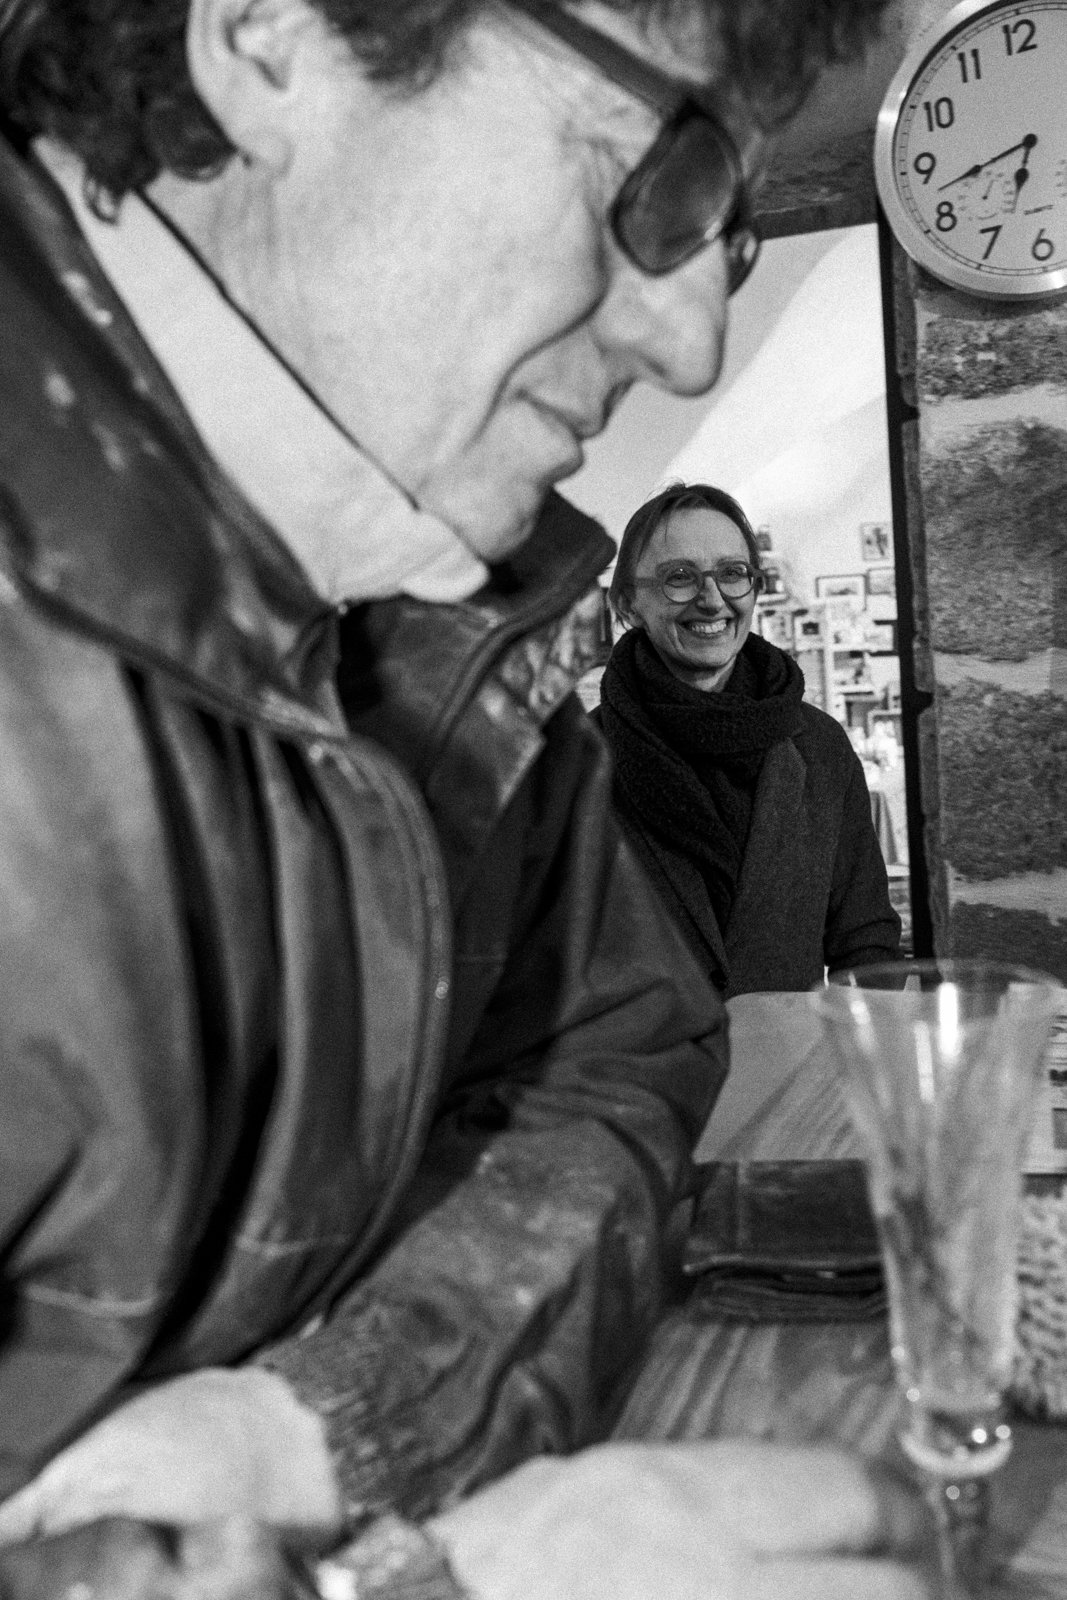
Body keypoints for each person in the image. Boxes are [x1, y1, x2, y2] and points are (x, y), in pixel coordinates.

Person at [0, 0, 931, 1595]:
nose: (686, 340)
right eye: (659, 178)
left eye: (726, 244)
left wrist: (319, 1438)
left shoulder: (444, 605)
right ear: (269, 34)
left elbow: (611, 1051)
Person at [597, 482, 901, 995]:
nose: (712, 599)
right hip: (638, 1073)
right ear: (628, 602)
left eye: (733, 574)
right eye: (679, 577)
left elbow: (865, 943)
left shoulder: (818, 746)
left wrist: (855, 1063)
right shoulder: (580, 762)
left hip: (790, 1066)